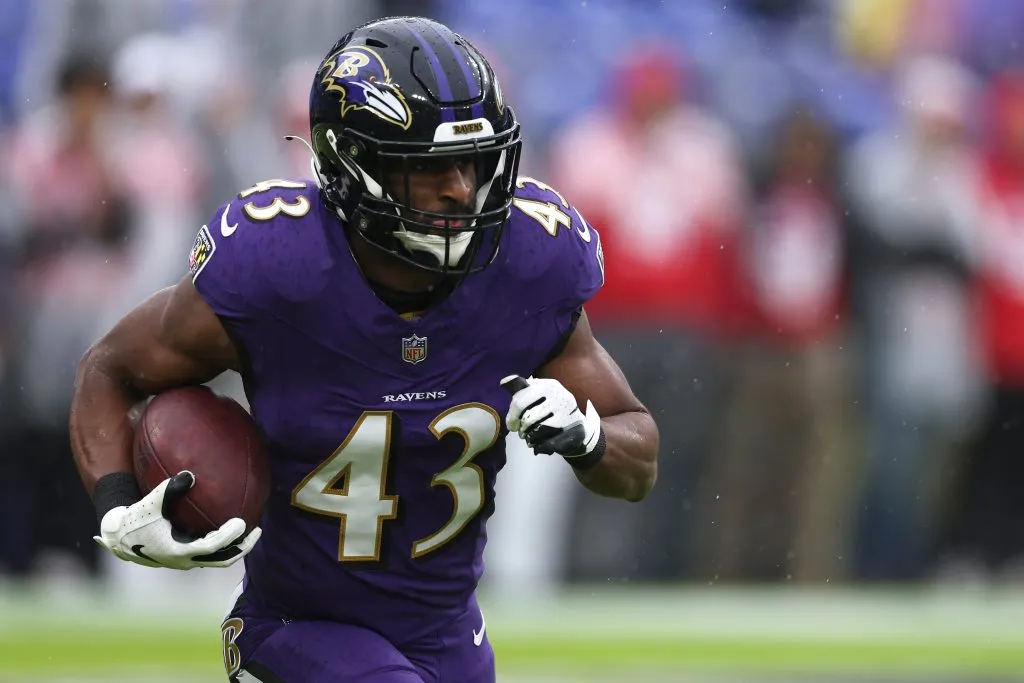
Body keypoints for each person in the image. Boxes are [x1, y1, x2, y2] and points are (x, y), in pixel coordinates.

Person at [69, 16, 659, 683]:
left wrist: (586, 439)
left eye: (473, 160)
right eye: (430, 166)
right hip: (297, 628)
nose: (461, 188)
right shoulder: (278, 266)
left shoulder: (527, 262)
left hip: (447, 633)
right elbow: (110, 368)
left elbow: (639, 457)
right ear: (354, 162)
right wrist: (119, 506)